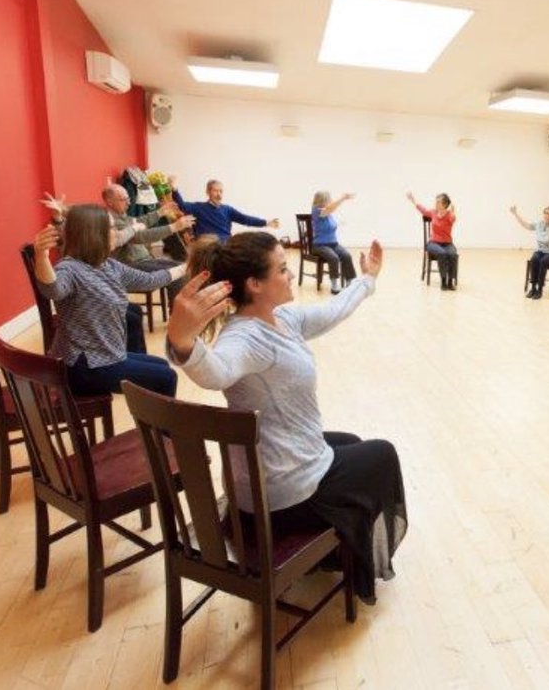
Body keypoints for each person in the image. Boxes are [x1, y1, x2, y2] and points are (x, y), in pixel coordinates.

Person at [165, 233, 406, 603]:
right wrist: (182, 341)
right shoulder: (244, 338)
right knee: (383, 454)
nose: (290, 273)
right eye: (282, 268)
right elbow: (216, 372)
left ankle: (329, 553)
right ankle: (345, 558)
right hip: (281, 498)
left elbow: (332, 312)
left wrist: (367, 279)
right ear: (255, 284)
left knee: (351, 443)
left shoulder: (281, 318)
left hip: (272, 474)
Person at [31, 204, 182, 397]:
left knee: (161, 365)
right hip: (84, 365)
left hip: (104, 356)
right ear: (94, 234)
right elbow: (53, 289)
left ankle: (147, 418)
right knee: (166, 377)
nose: (117, 233)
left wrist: (188, 267)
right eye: (111, 228)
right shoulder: (69, 268)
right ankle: (156, 426)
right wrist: (41, 257)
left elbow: (150, 280)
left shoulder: (107, 265)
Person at [102, 184, 195, 301]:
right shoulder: (111, 220)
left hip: (144, 260)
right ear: (109, 202)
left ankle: (180, 311)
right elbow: (140, 236)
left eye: (128, 199)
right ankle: (177, 314)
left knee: (181, 267)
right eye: (123, 199)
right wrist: (174, 227)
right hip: (131, 265)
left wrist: (159, 212)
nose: (128, 203)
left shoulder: (122, 216)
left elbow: (140, 221)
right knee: (178, 272)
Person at [170, 177, 279, 242]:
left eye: (221, 191)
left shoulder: (228, 209)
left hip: (227, 244)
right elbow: (182, 206)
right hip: (208, 245)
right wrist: (174, 189)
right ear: (208, 192)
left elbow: (245, 219)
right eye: (216, 191)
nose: (219, 194)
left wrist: (266, 222)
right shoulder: (199, 207)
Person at [509, 204, 549, 299]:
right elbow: (526, 225)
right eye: (545, 213)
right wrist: (515, 214)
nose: (547, 216)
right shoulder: (539, 223)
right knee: (534, 259)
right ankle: (533, 287)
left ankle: (540, 289)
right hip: (541, 251)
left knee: (543, 261)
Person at [407, 191, 458, 290]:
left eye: (438, 202)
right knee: (442, 253)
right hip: (433, 243)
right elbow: (423, 210)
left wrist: (453, 213)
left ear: (444, 204)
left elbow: (453, 218)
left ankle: (450, 281)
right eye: (436, 201)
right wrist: (413, 200)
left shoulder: (449, 215)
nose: (436, 203)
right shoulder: (433, 212)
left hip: (447, 243)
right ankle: (443, 280)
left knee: (452, 254)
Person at [310, 191, 357, 293]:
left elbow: (331, 209)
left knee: (346, 255)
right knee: (333, 258)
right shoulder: (316, 211)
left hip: (333, 244)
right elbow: (329, 209)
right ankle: (334, 285)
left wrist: (340, 223)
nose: (330, 200)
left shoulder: (329, 214)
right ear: (323, 200)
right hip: (319, 245)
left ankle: (349, 281)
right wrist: (342, 198)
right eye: (328, 199)